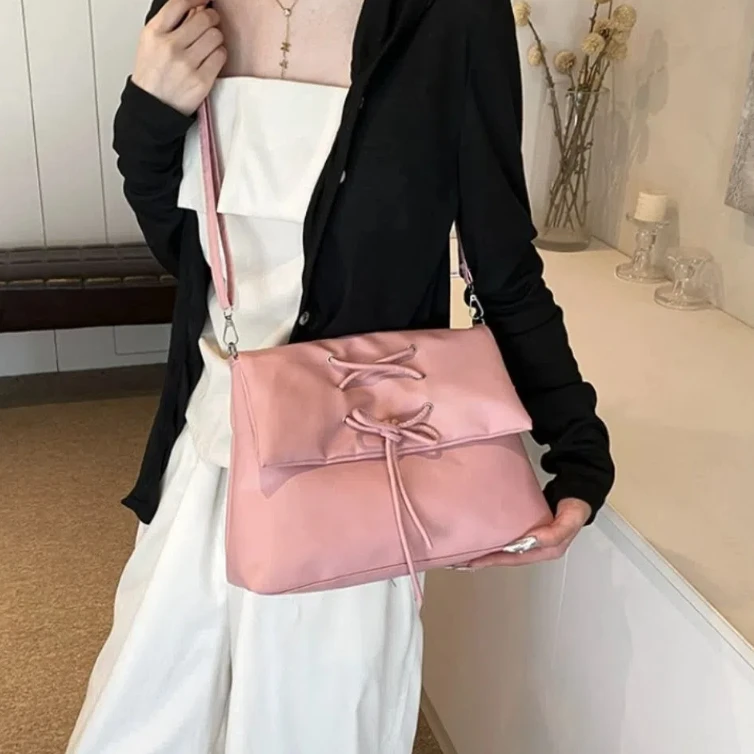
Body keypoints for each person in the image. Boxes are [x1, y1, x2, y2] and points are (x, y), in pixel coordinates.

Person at [66, 0, 615, 751]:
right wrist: (149, 115)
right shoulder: (189, 9)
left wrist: (577, 451)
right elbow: (186, 249)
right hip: (207, 457)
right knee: (145, 717)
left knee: (312, 725)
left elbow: (502, 267)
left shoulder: (452, 18)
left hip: (351, 482)